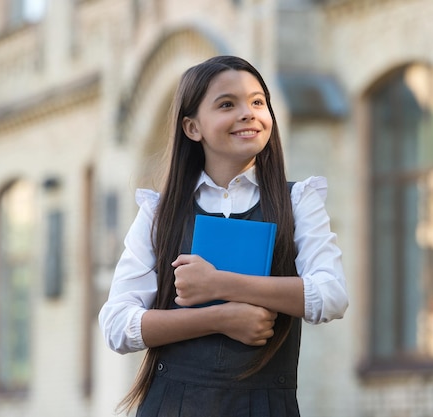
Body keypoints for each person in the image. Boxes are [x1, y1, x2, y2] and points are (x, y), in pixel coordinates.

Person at [99, 55, 348, 417]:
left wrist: (219, 284)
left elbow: (331, 295)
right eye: (227, 104)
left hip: (265, 407)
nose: (248, 113)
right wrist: (219, 318)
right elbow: (117, 325)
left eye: (257, 102)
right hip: (172, 406)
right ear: (192, 127)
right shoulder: (159, 212)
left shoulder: (298, 201)